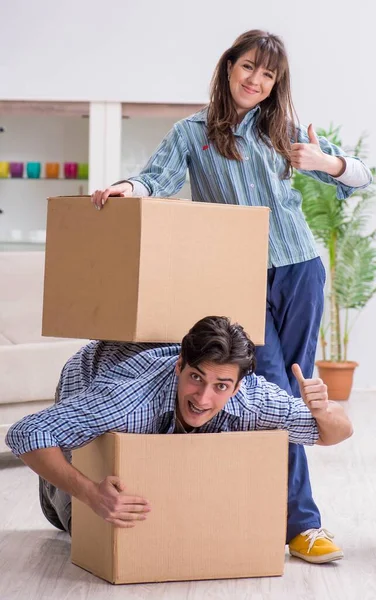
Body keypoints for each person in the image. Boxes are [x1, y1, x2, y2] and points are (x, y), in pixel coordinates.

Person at [91, 29, 372, 563]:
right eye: (249, 68)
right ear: (228, 68)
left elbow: (358, 178)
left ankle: (283, 518)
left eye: (268, 75)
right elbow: (156, 178)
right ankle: (296, 521)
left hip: (300, 270)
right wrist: (127, 189)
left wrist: (323, 164)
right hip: (236, 275)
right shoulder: (191, 131)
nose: (256, 81)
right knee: (265, 387)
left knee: (295, 385)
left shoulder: (283, 129)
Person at [6, 316, 352, 565]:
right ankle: (54, 495)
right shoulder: (126, 401)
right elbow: (25, 433)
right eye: (196, 377)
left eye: (220, 386)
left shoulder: (251, 397)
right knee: (79, 524)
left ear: (238, 385)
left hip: (137, 385)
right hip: (90, 378)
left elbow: (338, 432)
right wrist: (89, 492)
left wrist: (324, 410)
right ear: (179, 366)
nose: (203, 397)